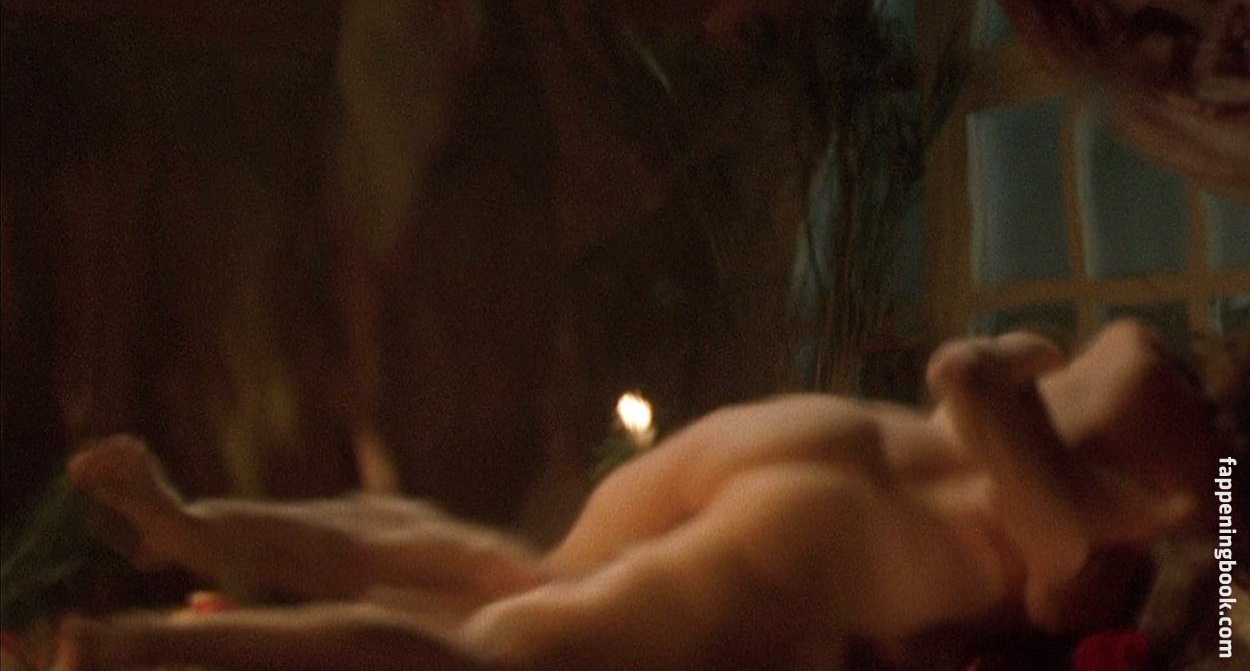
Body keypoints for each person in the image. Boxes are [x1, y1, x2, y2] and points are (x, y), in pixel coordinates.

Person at [55, 320, 1235, 670]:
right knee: (494, 648)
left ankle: (187, 530)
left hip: (807, 447)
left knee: (493, 569)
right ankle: (144, 643)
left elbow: (975, 374)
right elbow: (1072, 576)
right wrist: (1089, 529)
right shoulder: (1207, 499)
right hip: (832, 537)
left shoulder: (1128, 352)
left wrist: (995, 415)